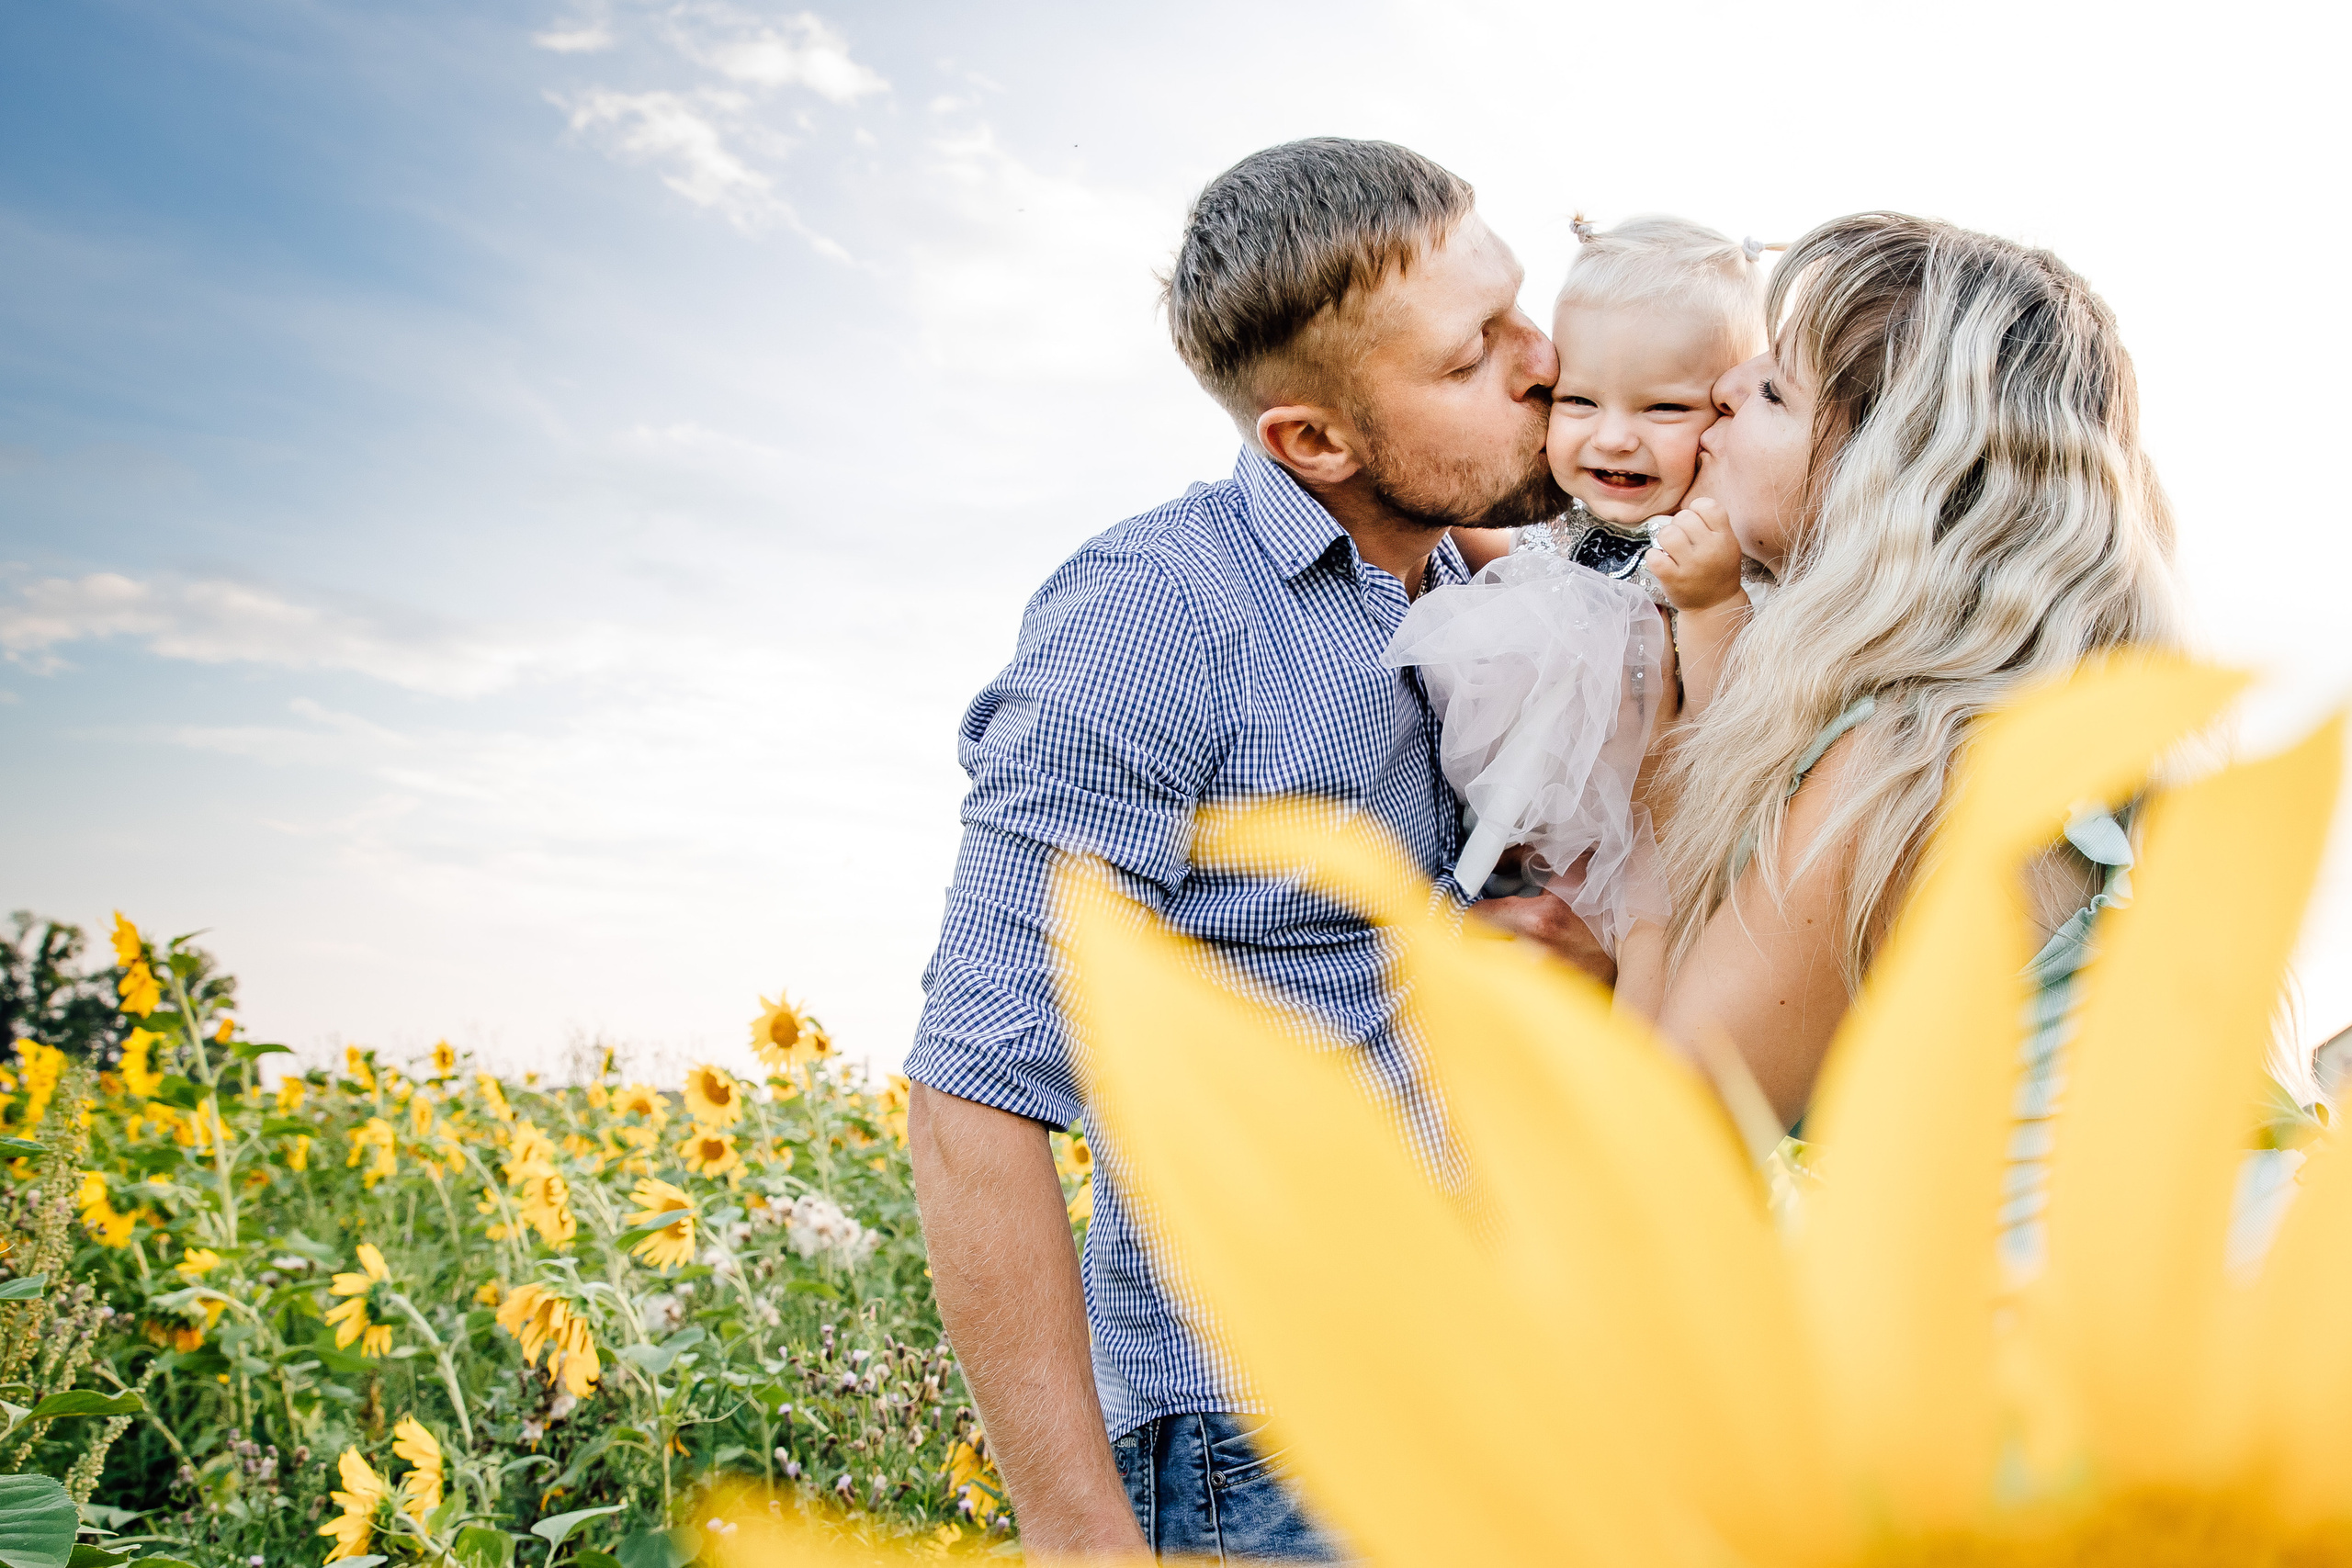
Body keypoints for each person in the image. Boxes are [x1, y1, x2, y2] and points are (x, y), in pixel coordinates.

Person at [903, 139, 1585, 1562]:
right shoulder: (1159, 617)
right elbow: (977, 1089)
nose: (1543, 359)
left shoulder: (1480, 577)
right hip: (1263, 1437)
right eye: (1474, 357)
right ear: (1313, 443)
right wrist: (1081, 1536)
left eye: (1521, 305)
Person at [1617, 212, 2184, 1131]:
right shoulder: (2035, 732)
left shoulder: (1900, 765)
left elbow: (1658, 1140)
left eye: (1772, 392)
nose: (1720, 389)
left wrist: (1640, 802)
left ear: (1885, 473)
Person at [1453, 215, 1773, 720]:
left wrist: (1710, 604)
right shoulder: (1562, 517)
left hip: (1648, 789)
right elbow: (1508, 561)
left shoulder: (1722, 547)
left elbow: (1727, 719)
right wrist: (1449, 514)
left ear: (1727, 410)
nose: (1614, 440)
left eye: (1664, 408)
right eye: (1579, 399)